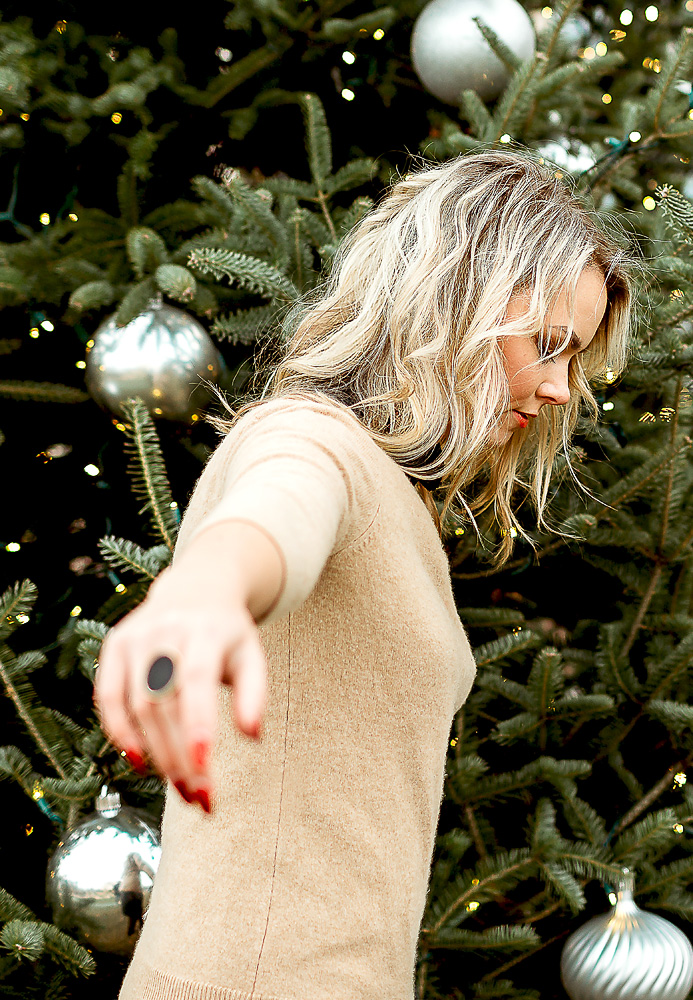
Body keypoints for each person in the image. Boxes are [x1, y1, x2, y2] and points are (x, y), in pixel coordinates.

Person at [93, 148, 641, 1000]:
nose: (563, 388)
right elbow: (276, 515)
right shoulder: (314, 439)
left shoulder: (399, 495)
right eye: (548, 345)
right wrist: (200, 594)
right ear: (455, 302)